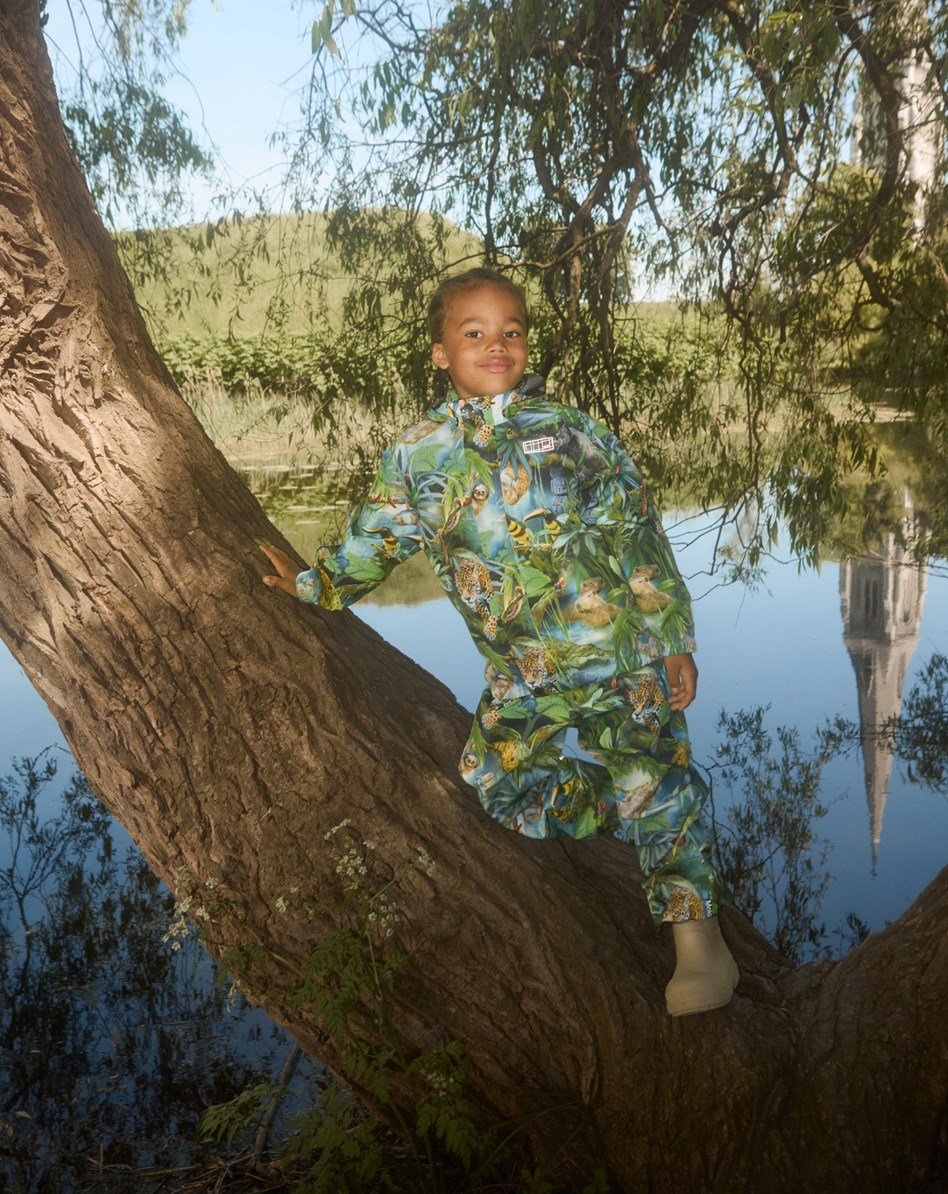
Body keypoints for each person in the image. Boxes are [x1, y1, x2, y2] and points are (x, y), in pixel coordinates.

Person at [262, 268, 738, 1016]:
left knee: (657, 772)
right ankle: (627, 806)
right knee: (496, 783)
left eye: (510, 331)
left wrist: (672, 636)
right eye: (474, 332)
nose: (496, 344)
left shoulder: (573, 432)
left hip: (621, 656)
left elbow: (636, 533)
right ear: (439, 353)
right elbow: (374, 542)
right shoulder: (416, 456)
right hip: (523, 673)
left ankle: (699, 942)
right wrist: (313, 587)